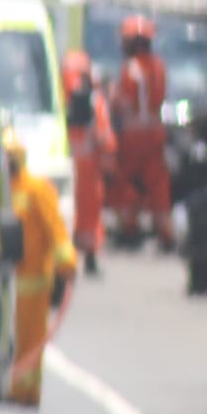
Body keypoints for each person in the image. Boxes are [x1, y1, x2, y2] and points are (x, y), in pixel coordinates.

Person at [4, 128, 77, 409]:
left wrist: (66, 262)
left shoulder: (36, 189)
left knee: (30, 336)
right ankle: (11, 384)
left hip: (33, 280)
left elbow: (55, 229)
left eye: (10, 158)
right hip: (5, 281)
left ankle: (26, 391)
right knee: (8, 338)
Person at [106, 14, 173, 251]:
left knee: (123, 182)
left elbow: (121, 102)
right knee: (158, 184)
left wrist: (111, 96)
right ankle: (166, 233)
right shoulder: (159, 67)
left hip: (133, 138)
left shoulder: (130, 69)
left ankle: (129, 229)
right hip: (155, 134)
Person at [62, 50, 115, 278]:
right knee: (91, 216)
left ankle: (66, 259)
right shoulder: (96, 101)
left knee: (68, 212)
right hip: (90, 169)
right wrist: (109, 160)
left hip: (67, 166)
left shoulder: (58, 99)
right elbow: (104, 137)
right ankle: (90, 258)